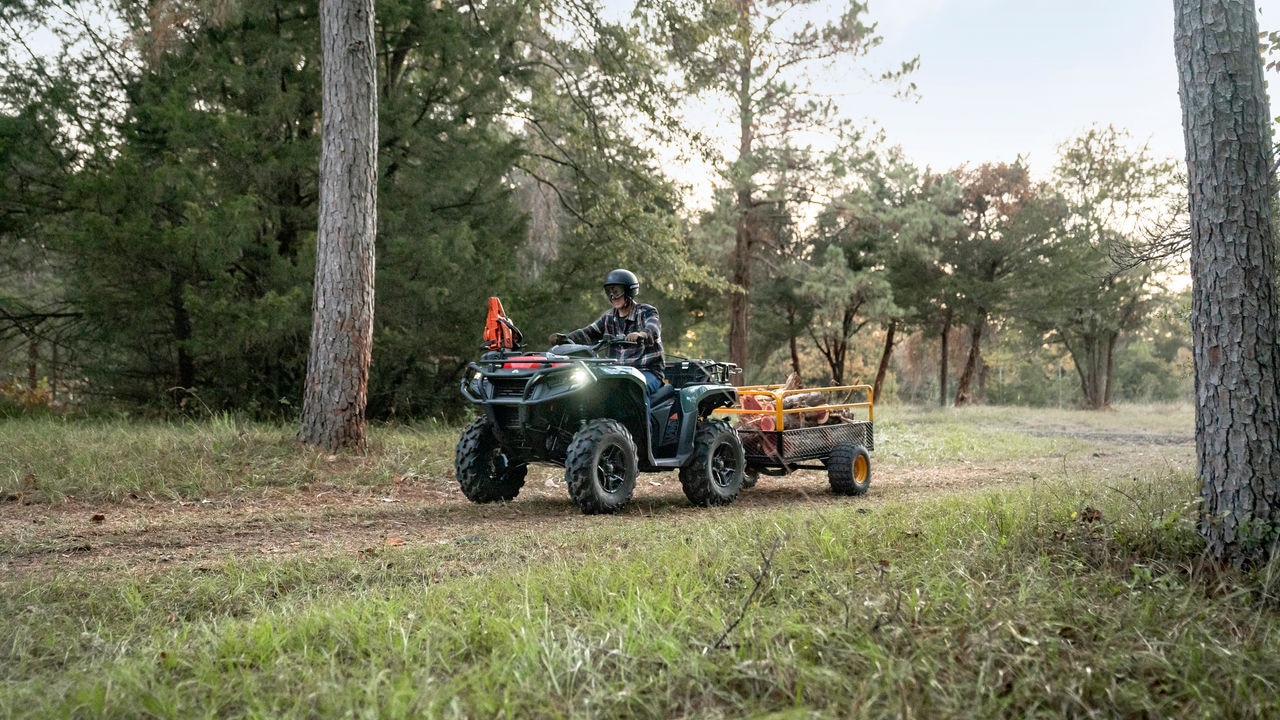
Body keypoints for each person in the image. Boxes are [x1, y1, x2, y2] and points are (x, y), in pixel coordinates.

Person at [550, 268, 666, 394]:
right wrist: (564, 338)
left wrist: (641, 334)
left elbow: (653, 329)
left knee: (635, 390)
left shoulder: (646, 311)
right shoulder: (608, 317)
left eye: (616, 292)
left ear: (629, 291)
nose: (613, 297)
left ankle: (644, 407)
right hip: (618, 373)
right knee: (592, 390)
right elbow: (588, 333)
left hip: (647, 371)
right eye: (609, 292)